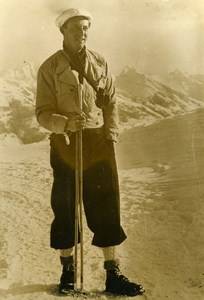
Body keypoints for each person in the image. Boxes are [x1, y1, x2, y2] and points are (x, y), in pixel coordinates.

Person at [35, 8, 144, 297]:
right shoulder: (49, 68)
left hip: (97, 140)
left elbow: (111, 101)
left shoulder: (99, 62)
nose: (82, 32)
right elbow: (42, 113)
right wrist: (65, 122)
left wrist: (111, 133)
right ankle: (68, 270)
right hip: (66, 142)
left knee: (106, 203)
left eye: (86, 27)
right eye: (76, 28)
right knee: (66, 204)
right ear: (63, 31)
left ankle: (113, 273)